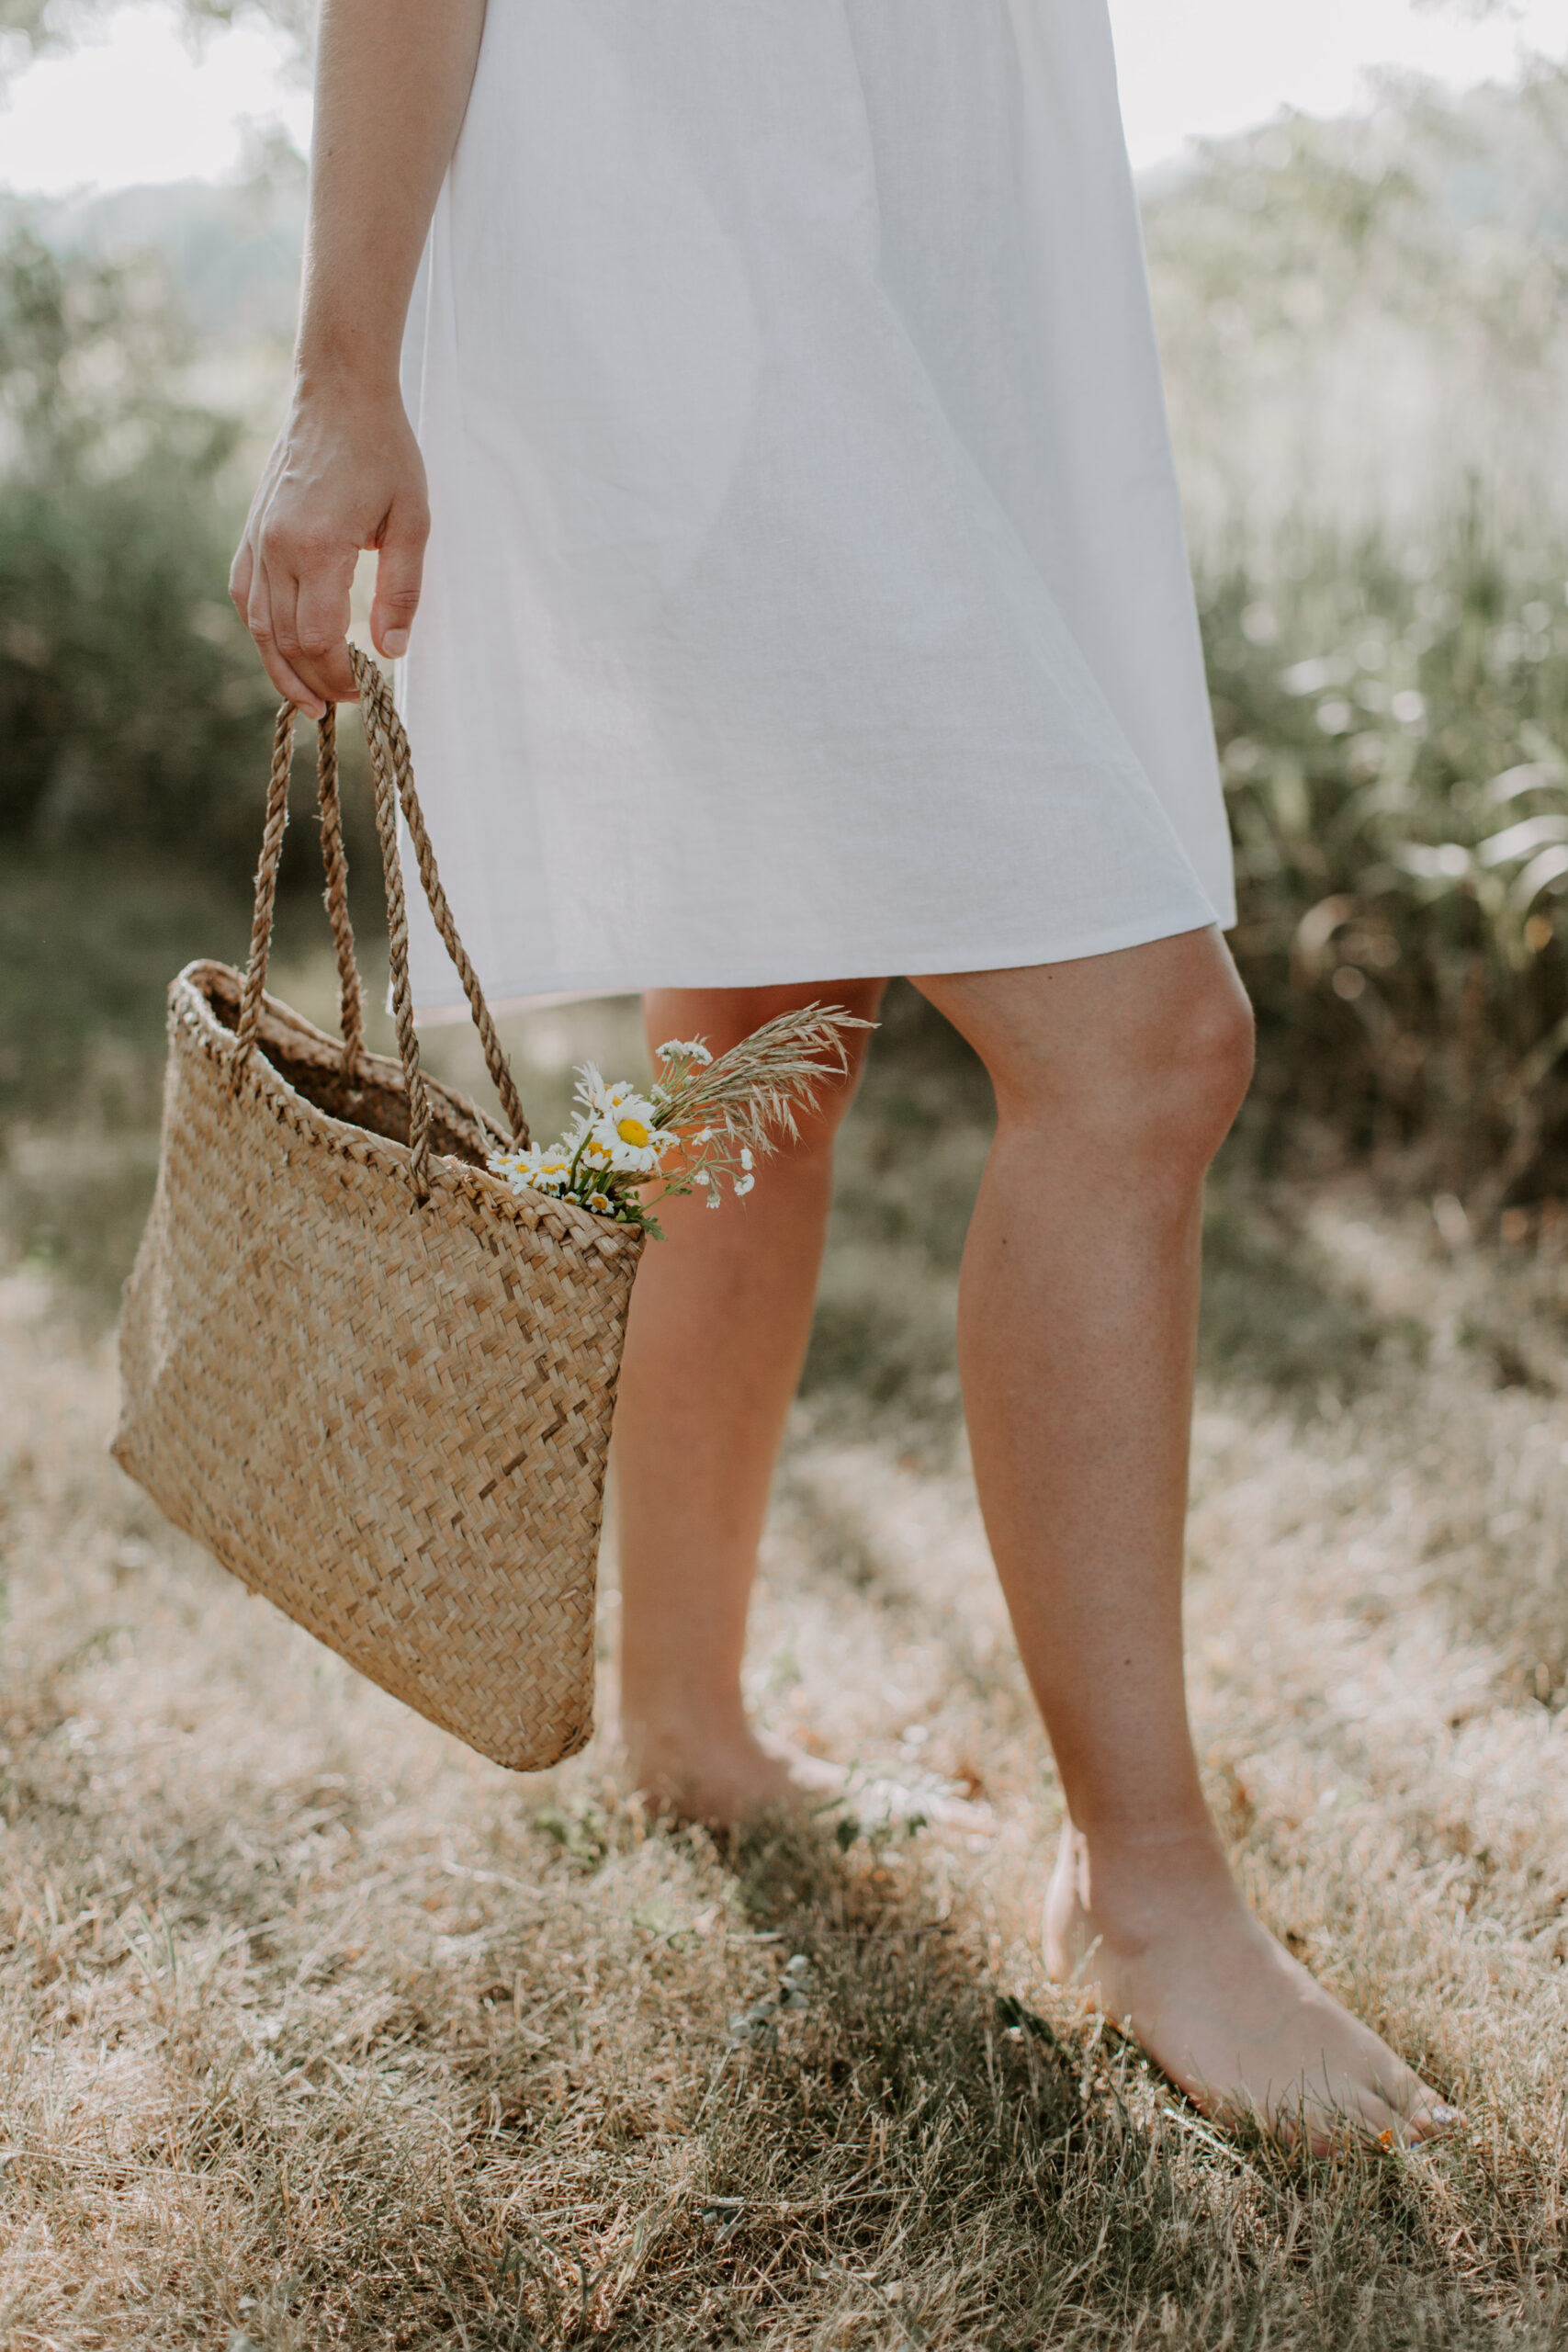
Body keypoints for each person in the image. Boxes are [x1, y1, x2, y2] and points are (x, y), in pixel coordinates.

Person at [231, 0, 1456, 2151]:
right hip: (701, 243)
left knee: (762, 1039)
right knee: (1143, 1047)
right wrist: (348, 371)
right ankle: (1143, 1881)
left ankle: (689, 1725)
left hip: (922, 233)